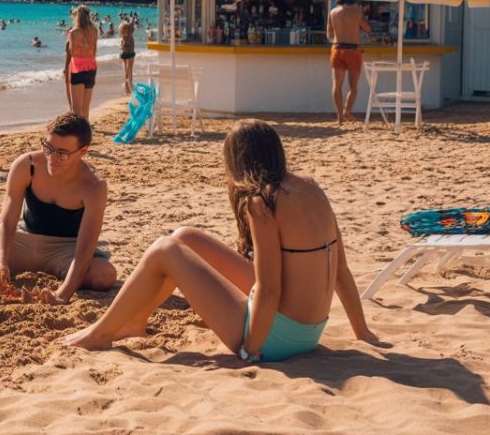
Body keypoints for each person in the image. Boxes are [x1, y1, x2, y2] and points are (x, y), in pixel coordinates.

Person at [65, 120, 381, 361]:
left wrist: (250, 350)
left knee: (164, 249)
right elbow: (340, 270)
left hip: (276, 336)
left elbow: (270, 291)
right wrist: (362, 332)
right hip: (309, 331)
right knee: (183, 238)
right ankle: (136, 321)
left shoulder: (262, 203)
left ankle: (100, 333)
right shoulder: (310, 188)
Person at [0, 112, 115, 303]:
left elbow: (85, 250)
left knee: (104, 275)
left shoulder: (94, 186)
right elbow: (7, 222)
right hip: (24, 240)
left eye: (62, 153)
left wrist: (62, 294)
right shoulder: (26, 165)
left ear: (82, 152)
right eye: (48, 148)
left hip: (66, 249)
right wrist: (0, 262)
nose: (52, 158)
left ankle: (62, 275)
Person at [327, 0, 371, 126]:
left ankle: (340, 117)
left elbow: (329, 34)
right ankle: (348, 110)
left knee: (337, 85)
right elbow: (367, 28)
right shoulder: (357, 11)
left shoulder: (333, 12)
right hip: (353, 50)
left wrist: (337, 39)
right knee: (353, 86)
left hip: (337, 48)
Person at [66, 5, 98, 120]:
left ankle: (79, 136)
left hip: (77, 69)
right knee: (86, 108)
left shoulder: (73, 33)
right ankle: (86, 134)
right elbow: (94, 51)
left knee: (77, 110)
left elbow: (72, 52)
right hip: (91, 68)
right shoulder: (94, 30)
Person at [119, 19, 137, 95]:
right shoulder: (129, 33)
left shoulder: (124, 34)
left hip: (125, 53)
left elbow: (122, 46)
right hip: (129, 53)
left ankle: (127, 87)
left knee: (127, 70)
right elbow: (132, 23)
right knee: (129, 70)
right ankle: (129, 86)